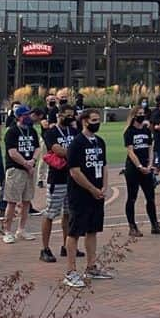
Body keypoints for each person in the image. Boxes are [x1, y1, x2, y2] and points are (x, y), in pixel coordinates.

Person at [64, 109, 113, 287]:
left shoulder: (100, 142)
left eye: (98, 120)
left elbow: (104, 165)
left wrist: (104, 187)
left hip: (97, 194)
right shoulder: (77, 144)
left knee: (92, 229)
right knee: (75, 231)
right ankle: (70, 271)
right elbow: (75, 172)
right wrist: (92, 189)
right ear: (84, 121)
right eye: (93, 120)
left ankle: (91, 266)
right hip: (80, 194)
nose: (96, 123)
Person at [123, 104, 160, 237]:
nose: (142, 115)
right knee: (132, 197)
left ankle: (155, 224)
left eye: (143, 113)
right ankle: (132, 226)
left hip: (146, 168)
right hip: (133, 168)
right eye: (139, 113)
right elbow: (130, 151)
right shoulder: (129, 131)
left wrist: (149, 164)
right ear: (134, 115)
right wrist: (139, 166)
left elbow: (150, 148)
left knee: (150, 197)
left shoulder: (146, 130)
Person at [40, 106, 76, 263]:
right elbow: (56, 150)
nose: (70, 118)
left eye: (72, 116)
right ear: (59, 116)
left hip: (72, 178)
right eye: (67, 116)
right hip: (57, 178)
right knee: (50, 213)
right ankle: (45, 248)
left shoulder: (74, 132)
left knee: (68, 213)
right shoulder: (51, 133)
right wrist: (75, 153)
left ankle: (66, 245)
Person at [2, 106, 40, 244]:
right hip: (15, 169)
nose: (28, 117)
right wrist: (26, 163)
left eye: (29, 114)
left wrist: (33, 161)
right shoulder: (12, 132)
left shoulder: (32, 131)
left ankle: (21, 229)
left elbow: (37, 147)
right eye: (25, 115)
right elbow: (12, 152)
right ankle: (7, 231)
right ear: (19, 117)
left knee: (27, 201)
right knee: (11, 201)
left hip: (29, 169)